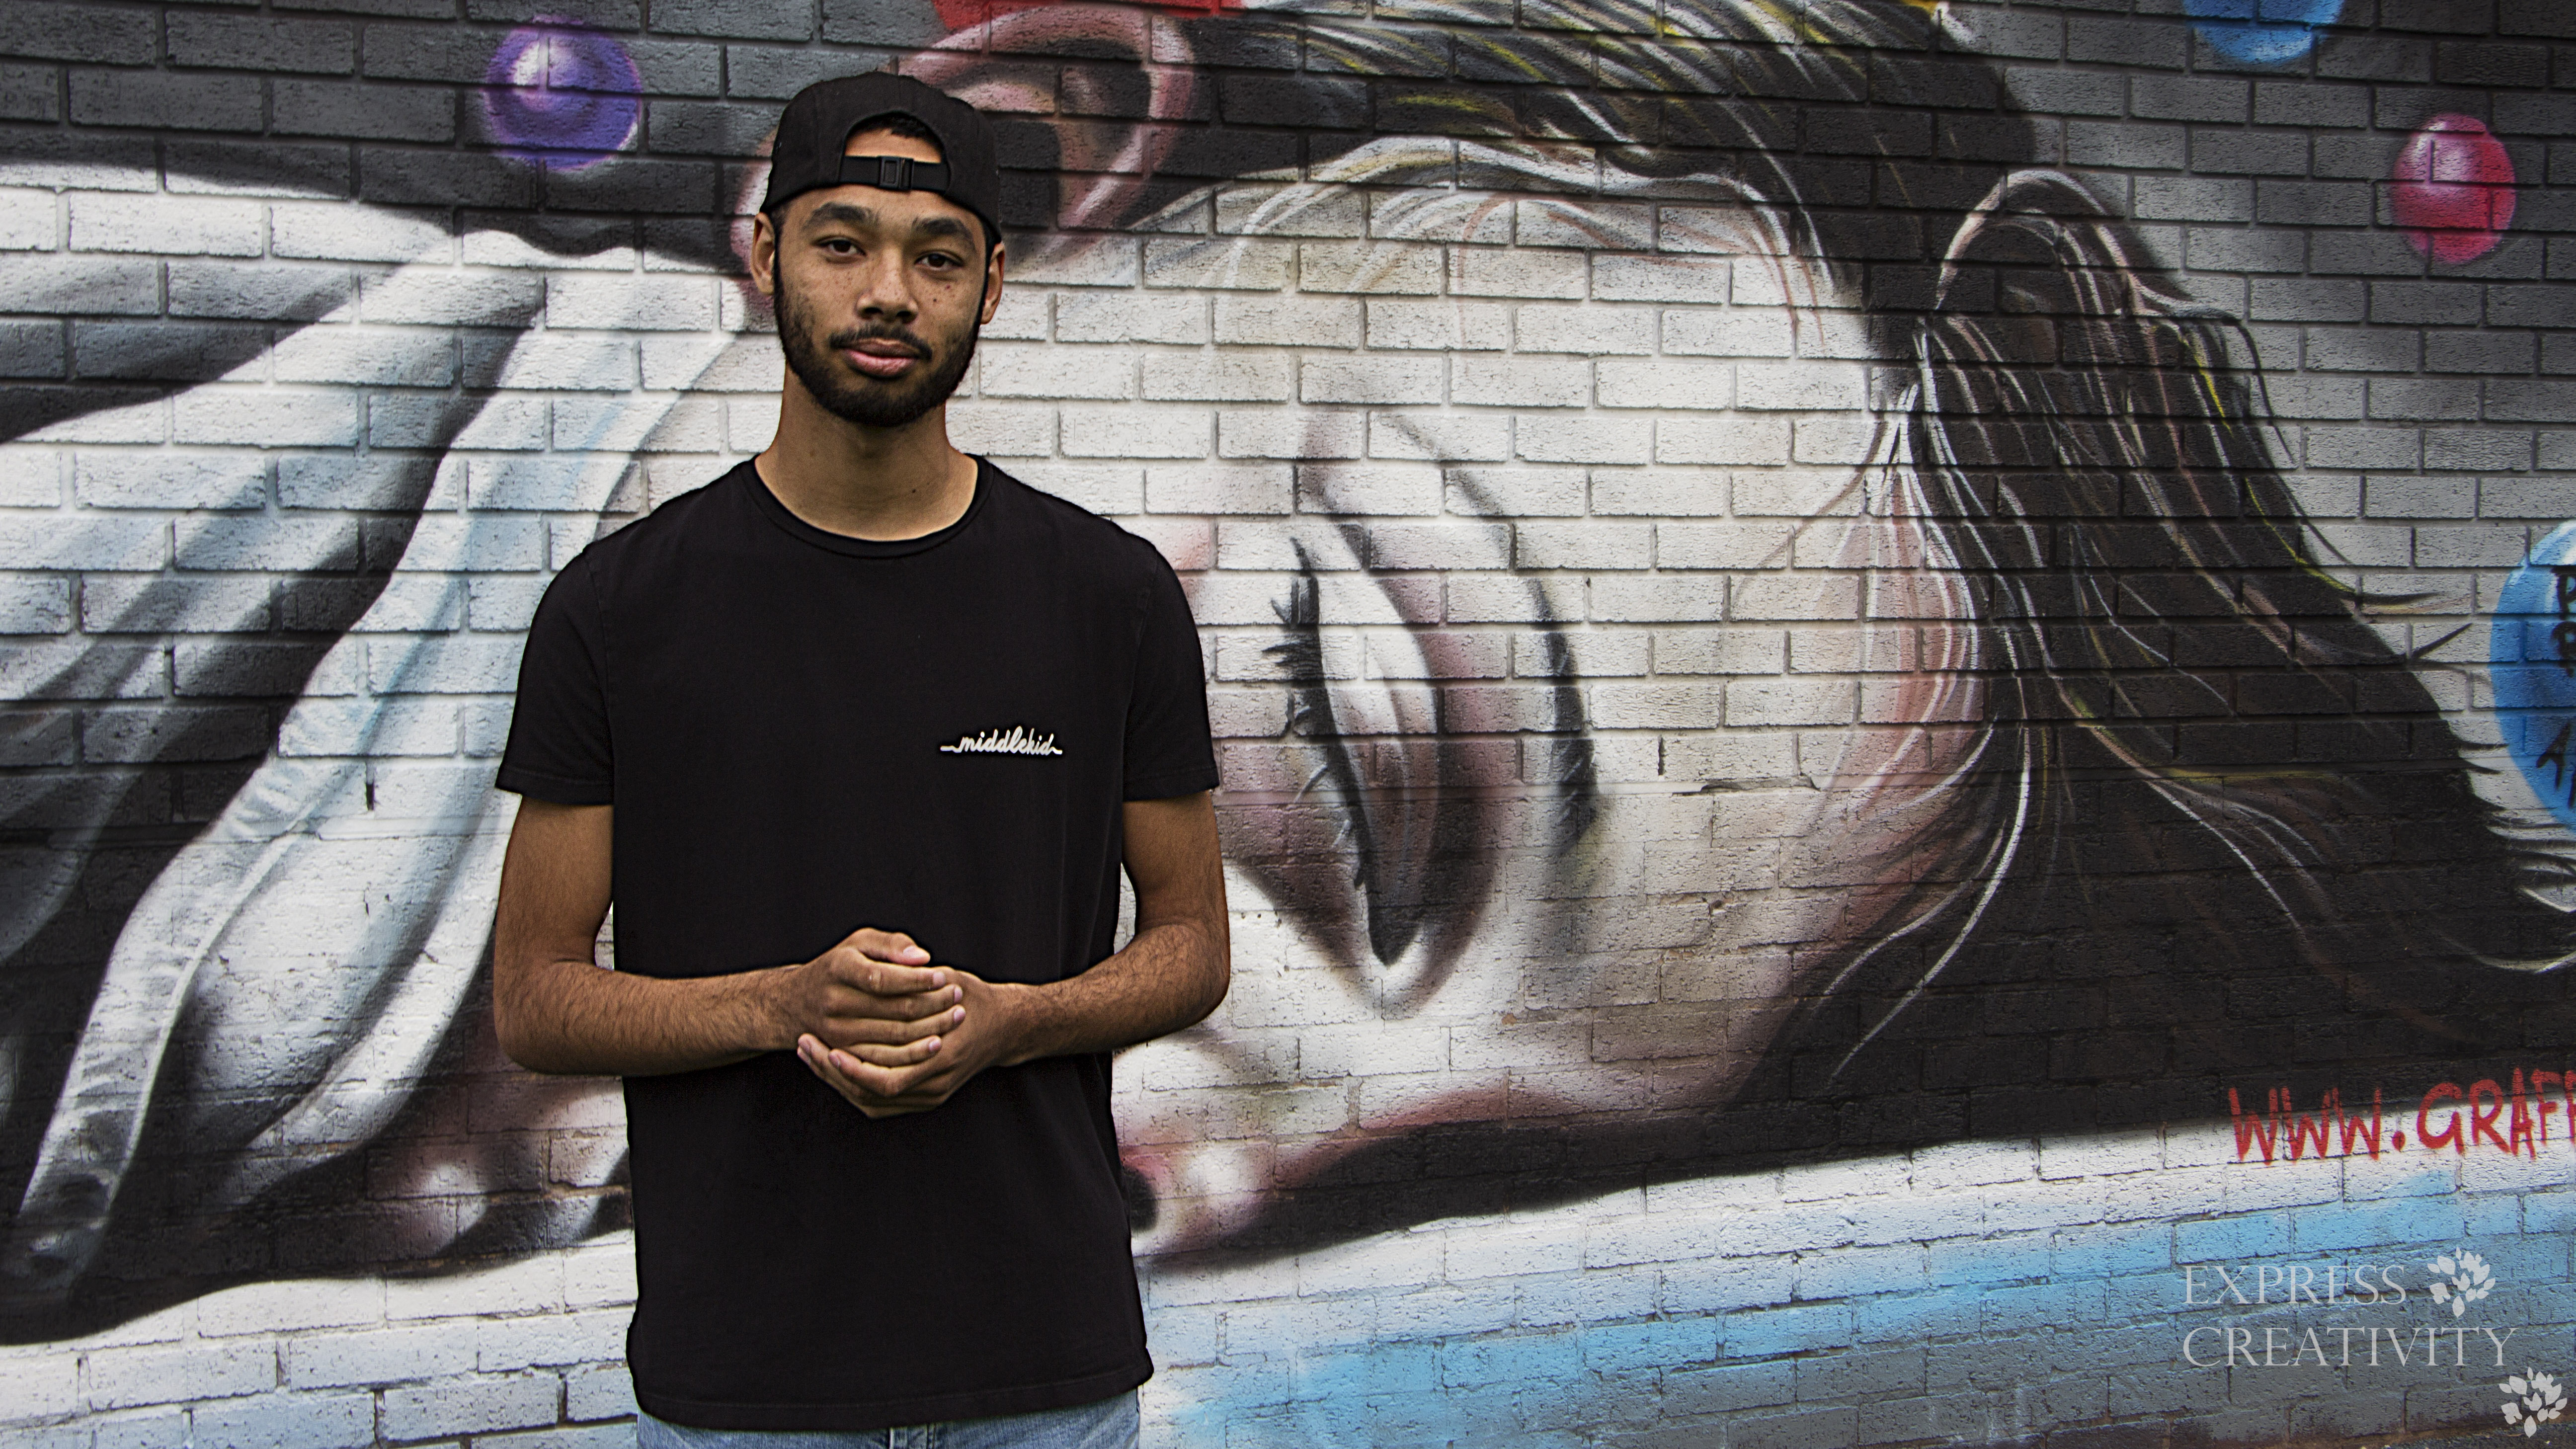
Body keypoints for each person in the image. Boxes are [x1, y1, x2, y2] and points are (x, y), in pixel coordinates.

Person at [487, 72, 1229, 1440]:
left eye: (937, 257)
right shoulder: (620, 609)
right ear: (767, 253)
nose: (889, 292)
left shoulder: (1109, 597)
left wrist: (1015, 1021)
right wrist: (782, 1005)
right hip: (745, 1387)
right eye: (843, 243)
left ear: (991, 285)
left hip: (1044, 1376)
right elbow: (535, 997)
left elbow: (1192, 946)